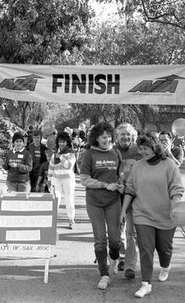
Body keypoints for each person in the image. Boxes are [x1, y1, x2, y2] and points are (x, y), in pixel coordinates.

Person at [120, 134, 185, 298]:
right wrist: (123, 211)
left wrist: (176, 206)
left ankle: (165, 265)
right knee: (145, 249)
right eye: (140, 149)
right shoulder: (137, 166)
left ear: (154, 147)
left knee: (164, 248)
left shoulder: (169, 165)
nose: (142, 152)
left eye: (145, 148)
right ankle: (146, 284)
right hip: (142, 214)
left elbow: (176, 189)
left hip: (166, 214)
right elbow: (130, 189)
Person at [80, 122, 124, 290]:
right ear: (96, 139)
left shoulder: (116, 152)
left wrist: (120, 184)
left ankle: (114, 258)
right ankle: (104, 275)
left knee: (115, 240)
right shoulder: (89, 154)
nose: (107, 140)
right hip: (94, 202)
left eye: (108, 136)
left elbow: (120, 174)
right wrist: (105, 185)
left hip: (113, 201)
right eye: (103, 137)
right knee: (100, 240)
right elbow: (84, 179)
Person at [114, 123, 142, 280]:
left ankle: (130, 266)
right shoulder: (112, 151)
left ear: (133, 136)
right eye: (122, 134)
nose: (125, 137)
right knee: (117, 230)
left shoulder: (139, 151)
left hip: (134, 197)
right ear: (117, 136)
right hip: (115, 197)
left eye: (128, 134)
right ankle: (119, 257)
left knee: (132, 232)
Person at [49, 131, 77, 229]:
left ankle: (71, 219)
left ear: (67, 142)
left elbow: (68, 165)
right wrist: (49, 179)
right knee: (55, 199)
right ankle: (53, 220)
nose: (61, 143)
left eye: (64, 142)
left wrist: (60, 158)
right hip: (56, 180)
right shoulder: (54, 154)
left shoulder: (71, 153)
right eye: (60, 141)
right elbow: (51, 167)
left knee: (69, 200)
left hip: (68, 180)